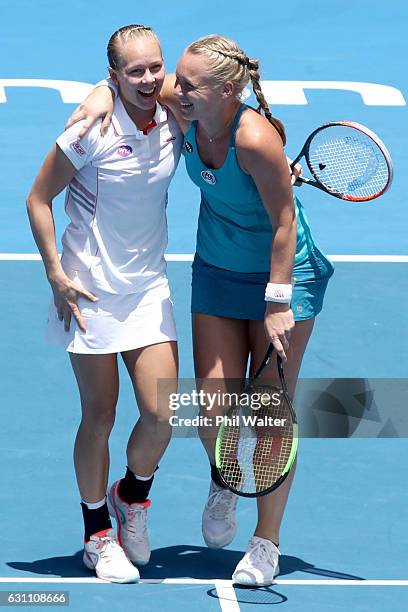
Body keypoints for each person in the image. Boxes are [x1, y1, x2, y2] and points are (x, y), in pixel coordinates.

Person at [66, 34, 334, 587]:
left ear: (227, 91)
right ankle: (225, 476)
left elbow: (284, 222)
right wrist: (98, 95)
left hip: (282, 278)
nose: (173, 89)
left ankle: (266, 543)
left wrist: (278, 302)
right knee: (213, 410)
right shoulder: (186, 106)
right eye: (176, 80)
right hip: (216, 269)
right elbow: (127, 84)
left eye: (188, 84)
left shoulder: (255, 140)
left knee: (268, 411)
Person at [26, 24, 184, 583]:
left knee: (163, 413)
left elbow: (216, 102)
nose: (148, 79)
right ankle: (97, 534)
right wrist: (56, 274)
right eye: (133, 71)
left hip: (147, 290)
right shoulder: (90, 128)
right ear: (114, 74)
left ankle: (131, 497)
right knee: (100, 415)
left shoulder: (175, 116)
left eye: (154, 67)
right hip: (89, 290)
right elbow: (38, 198)